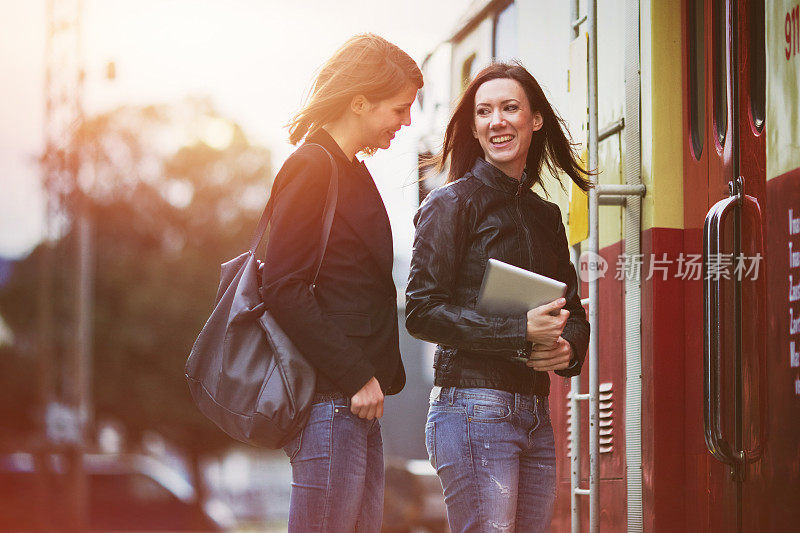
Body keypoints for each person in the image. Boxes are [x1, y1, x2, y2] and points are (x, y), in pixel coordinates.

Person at [405, 61, 592, 532]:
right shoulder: (450, 203)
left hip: (534, 414)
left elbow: (573, 312)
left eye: (510, 108)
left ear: (536, 120)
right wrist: (519, 332)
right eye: (485, 112)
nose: (497, 121)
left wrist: (568, 348)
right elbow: (422, 311)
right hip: (471, 409)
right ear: (473, 126)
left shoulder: (545, 216)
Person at [260, 34, 422, 532]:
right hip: (334, 398)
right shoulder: (312, 166)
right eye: (399, 109)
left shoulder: (347, 168)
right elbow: (282, 286)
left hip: (353, 402)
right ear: (359, 102)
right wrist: (353, 374)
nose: (407, 122)